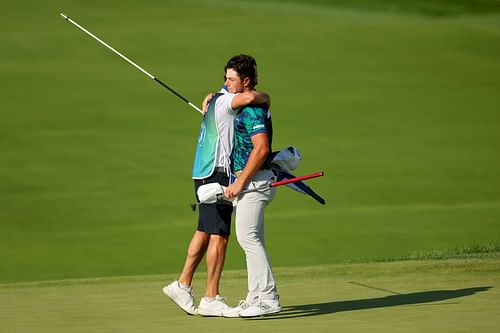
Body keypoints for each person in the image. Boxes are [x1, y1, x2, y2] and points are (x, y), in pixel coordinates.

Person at [163, 54, 270, 317]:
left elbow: (226, 92)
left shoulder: (218, 97)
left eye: (230, 79)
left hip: (203, 172)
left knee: (204, 230)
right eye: (226, 79)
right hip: (216, 174)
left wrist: (214, 93)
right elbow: (250, 98)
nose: (226, 83)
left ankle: (183, 284)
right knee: (219, 236)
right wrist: (266, 96)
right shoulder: (227, 101)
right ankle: (210, 297)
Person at [222, 61, 280, 318]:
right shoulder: (248, 103)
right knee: (251, 239)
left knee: (248, 239)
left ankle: (268, 297)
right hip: (253, 181)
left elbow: (262, 149)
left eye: (231, 79)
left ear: (246, 81)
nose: (226, 84)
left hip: (255, 183)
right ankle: (254, 296)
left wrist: (239, 183)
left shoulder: (253, 110)